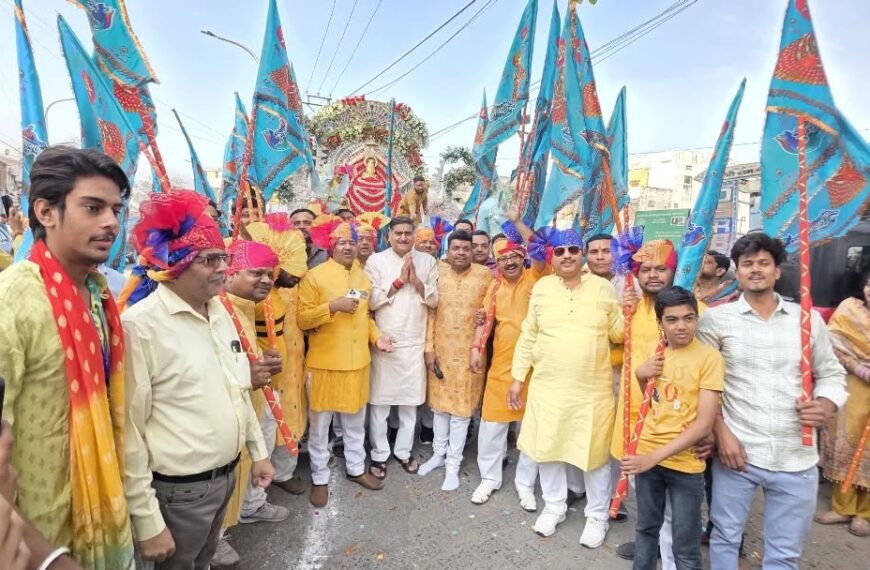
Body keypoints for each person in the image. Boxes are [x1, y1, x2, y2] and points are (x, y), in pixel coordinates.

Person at [122, 190, 274, 568]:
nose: (223, 269)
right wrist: (147, 519)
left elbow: (236, 389)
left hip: (226, 478)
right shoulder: (140, 327)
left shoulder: (220, 312)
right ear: (175, 266)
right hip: (179, 494)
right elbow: (128, 431)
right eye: (210, 260)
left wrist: (258, 452)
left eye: (223, 257)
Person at [0, 147, 135, 569]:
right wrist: (49, 559)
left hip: (100, 519)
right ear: (46, 212)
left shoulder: (98, 294)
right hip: (35, 543)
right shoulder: (12, 303)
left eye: (115, 208)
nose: (111, 222)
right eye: (93, 207)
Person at [696, 232, 847, 569]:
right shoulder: (716, 320)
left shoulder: (808, 321)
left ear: (777, 271)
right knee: (724, 537)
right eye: (747, 264)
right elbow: (704, 385)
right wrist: (721, 434)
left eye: (763, 263)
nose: (755, 270)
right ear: (737, 271)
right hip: (738, 454)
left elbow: (833, 375)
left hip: (798, 457)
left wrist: (825, 404)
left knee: (784, 554)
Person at [510, 229, 624, 547]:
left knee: (595, 455)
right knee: (548, 449)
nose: (567, 255)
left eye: (573, 249)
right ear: (552, 257)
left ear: (581, 254)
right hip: (548, 387)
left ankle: (598, 515)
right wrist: (518, 379)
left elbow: (618, 335)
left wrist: (627, 310)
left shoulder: (602, 289)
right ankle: (554, 507)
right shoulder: (543, 288)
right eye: (560, 251)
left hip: (592, 391)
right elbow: (529, 335)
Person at [622, 287, 724, 570]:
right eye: (672, 319)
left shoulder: (709, 358)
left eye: (688, 318)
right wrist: (642, 377)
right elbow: (654, 405)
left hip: (685, 464)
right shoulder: (656, 357)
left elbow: (704, 424)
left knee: (685, 543)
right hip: (647, 456)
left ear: (696, 319)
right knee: (646, 531)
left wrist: (652, 458)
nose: (681, 326)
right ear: (660, 323)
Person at [298, 219, 394, 507]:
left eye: (352, 242)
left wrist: (377, 339)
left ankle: (356, 468)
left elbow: (365, 318)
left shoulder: (363, 278)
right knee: (319, 428)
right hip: (324, 364)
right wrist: (332, 307)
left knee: (355, 425)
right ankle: (319, 478)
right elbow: (302, 318)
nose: (349, 246)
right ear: (331, 247)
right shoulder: (314, 277)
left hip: (357, 364)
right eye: (342, 242)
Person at [612, 239, 686, 564]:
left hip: (672, 418)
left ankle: (670, 557)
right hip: (632, 413)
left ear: (674, 271)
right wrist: (622, 308)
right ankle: (649, 544)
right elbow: (615, 336)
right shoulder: (635, 306)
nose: (653, 275)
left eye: (661, 268)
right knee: (645, 492)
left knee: (673, 500)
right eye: (646, 269)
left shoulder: (687, 310)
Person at [217, 240, 289, 567]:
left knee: (254, 454)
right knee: (227, 469)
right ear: (230, 272)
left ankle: (250, 507)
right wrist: (251, 373)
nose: (265, 280)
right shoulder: (217, 310)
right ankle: (213, 539)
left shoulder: (246, 306)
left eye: (268, 274)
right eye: (255, 273)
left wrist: (263, 360)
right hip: (227, 413)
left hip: (255, 399)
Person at [470, 221, 548, 508]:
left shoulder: (537, 276)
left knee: (530, 427)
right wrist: (475, 350)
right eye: (502, 258)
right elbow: (484, 320)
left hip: (536, 366)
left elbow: (541, 247)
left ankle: (525, 484)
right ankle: (489, 478)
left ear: (522, 256)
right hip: (502, 364)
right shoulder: (494, 287)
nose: (509, 262)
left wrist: (517, 222)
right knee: (491, 425)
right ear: (497, 262)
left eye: (514, 256)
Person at [365, 216, 439, 479]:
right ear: (389, 236)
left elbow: (435, 300)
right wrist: (398, 282)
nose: (404, 238)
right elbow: (370, 301)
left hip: (414, 341)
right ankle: (379, 454)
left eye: (409, 233)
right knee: (380, 405)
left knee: (410, 406)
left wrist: (416, 282)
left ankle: (404, 452)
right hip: (386, 342)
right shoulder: (376, 261)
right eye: (399, 233)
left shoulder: (427, 261)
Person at [418, 231, 492, 490]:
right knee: (438, 408)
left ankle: (453, 463)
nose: (461, 252)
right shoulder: (437, 272)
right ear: (448, 251)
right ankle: (438, 455)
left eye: (466, 248)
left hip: (470, 354)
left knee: (461, 413)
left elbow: (489, 313)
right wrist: (429, 348)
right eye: (456, 248)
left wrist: (478, 345)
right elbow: (430, 313)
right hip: (441, 351)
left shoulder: (485, 276)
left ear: (473, 251)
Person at [816, 272, 870, 537]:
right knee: (845, 442)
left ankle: (865, 514)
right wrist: (860, 369)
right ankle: (842, 506)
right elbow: (833, 344)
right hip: (852, 385)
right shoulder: (849, 309)